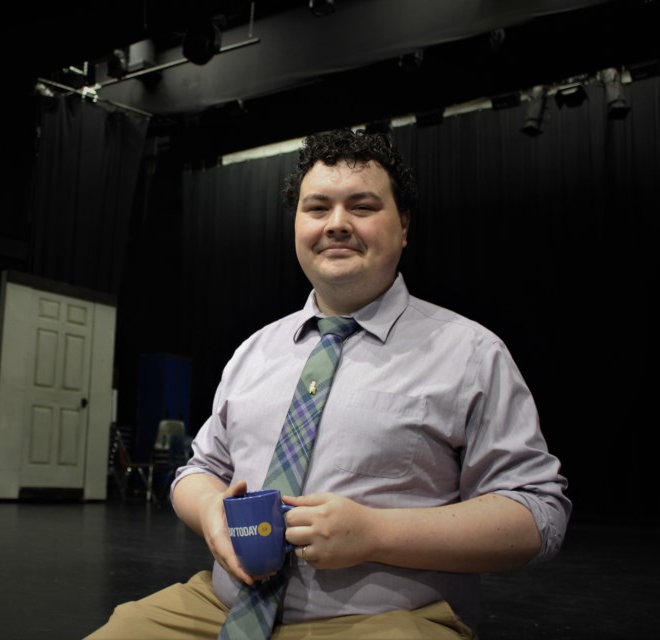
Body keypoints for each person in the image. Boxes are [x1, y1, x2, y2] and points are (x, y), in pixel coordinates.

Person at [86, 128, 570, 639]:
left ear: (403, 226)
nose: (337, 224)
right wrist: (210, 510)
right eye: (317, 208)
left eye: (362, 207)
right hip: (221, 606)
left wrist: (377, 534)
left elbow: (538, 515)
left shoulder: (470, 354)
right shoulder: (253, 352)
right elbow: (200, 469)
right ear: (297, 224)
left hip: (383, 623)